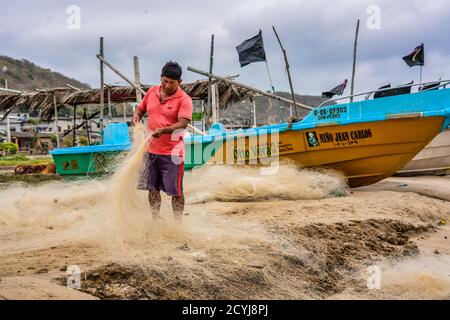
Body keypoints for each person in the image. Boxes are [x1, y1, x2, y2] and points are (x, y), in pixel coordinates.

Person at [133, 61, 193, 222]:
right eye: (164, 81)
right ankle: (156, 220)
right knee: (152, 189)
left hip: (172, 153)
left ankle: (177, 224)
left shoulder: (184, 99)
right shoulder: (151, 92)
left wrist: (164, 130)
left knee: (176, 192)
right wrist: (137, 115)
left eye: (172, 83)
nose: (167, 85)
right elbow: (141, 108)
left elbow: (183, 123)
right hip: (150, 150)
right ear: (160, 78)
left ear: (179, 82)